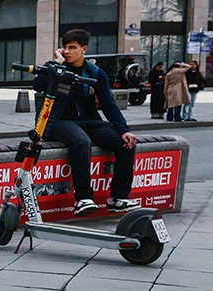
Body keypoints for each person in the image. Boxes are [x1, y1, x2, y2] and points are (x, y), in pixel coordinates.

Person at [35, 29, 138, 217]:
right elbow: (38, 84)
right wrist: (56, 65)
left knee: (127, 143)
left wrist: (124, 130)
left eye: (72, 47)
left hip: (88, 120)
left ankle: (118, 199)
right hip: (57, 121)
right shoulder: (55, 67)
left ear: (84, 49)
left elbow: (108, 104)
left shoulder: (95, 73)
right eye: (64, 47)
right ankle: (83, 198)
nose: (67, 51)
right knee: (81, 141)